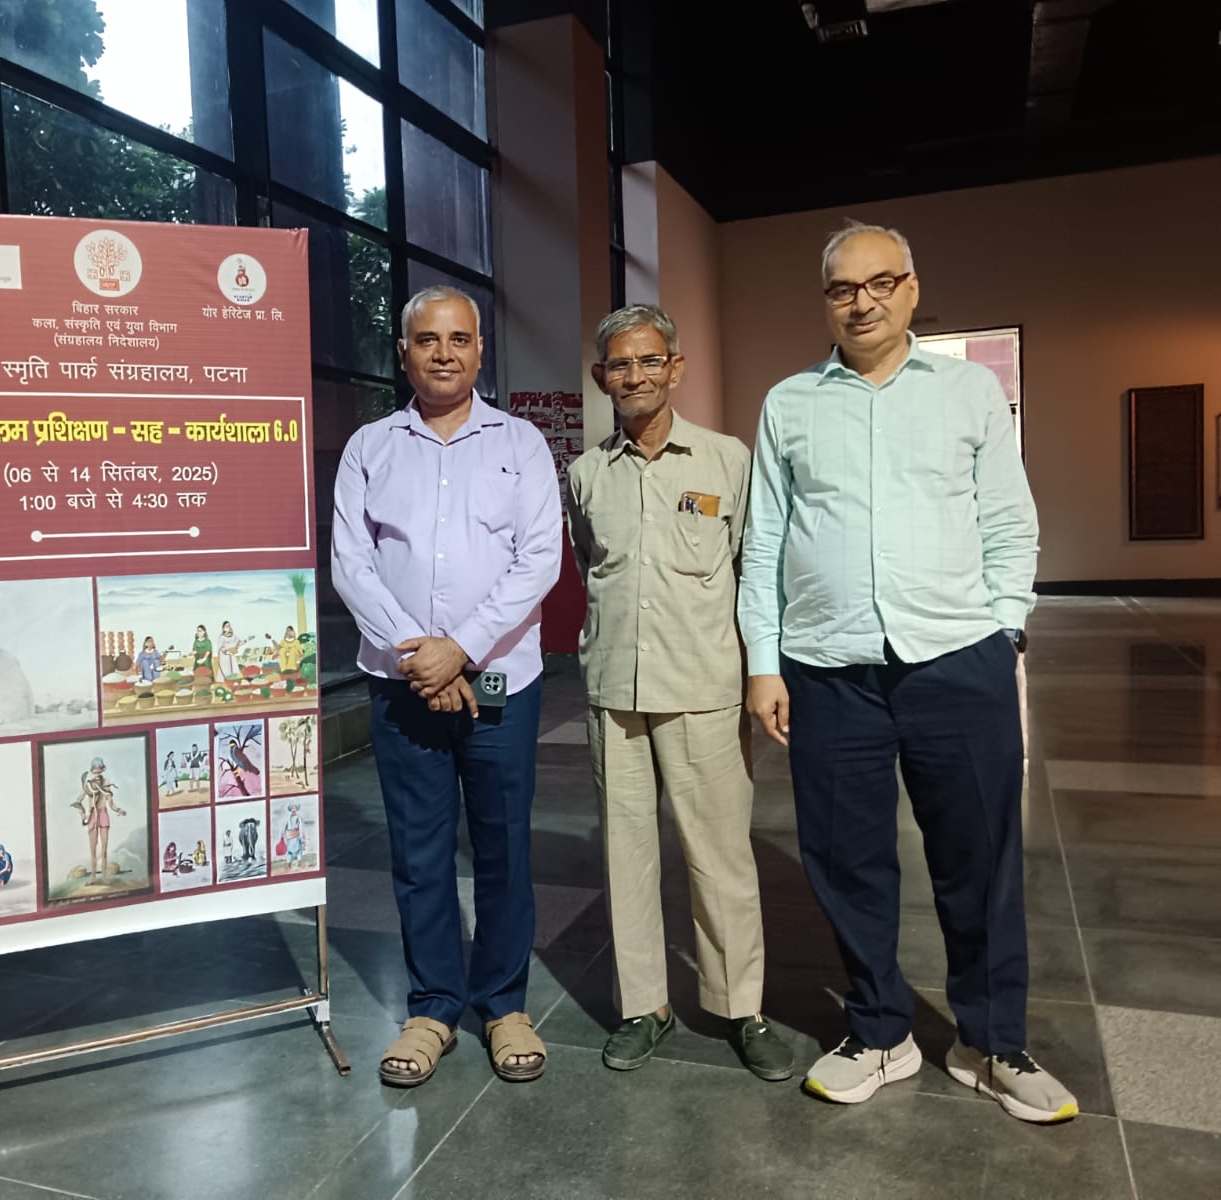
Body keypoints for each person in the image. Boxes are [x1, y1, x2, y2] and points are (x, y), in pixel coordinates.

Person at [739, 222, 1076, 1123]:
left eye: (880, 282)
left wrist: (1002, 631)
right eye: (843, 288)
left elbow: (1009, 520)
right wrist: (764, 663)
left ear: (912, 289)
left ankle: (992, 1041)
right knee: (845, 859)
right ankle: (880, 1031)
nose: (862, 302)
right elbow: (765, 540)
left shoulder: (967, 391)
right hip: (827, 668)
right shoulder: (790, 403)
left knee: (980, 858)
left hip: (956, 660)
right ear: (826, 301)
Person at [331, 286, 561, 1087]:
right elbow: (351, 562)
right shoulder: (369, 447)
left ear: (480, 350)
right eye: (427, 339)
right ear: (403, 353)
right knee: (419, 852)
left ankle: (503, 1005)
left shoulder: (522, 443)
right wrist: (417, 657)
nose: (444, 353)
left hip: (500, 679)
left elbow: (540, 559)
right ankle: (432, 1007)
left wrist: (458, 650)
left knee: (503, 846)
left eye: (459, 338)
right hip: (402, 686)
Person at [566, 305, 791, 1081]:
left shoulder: (727, 461)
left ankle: (741, 1007)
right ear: (602, 377)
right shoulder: (586, 475)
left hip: (704, 688)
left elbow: (756, 571)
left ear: (676, 367)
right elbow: (588, 565)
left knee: (719, 856)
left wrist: (763, 669)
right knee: (626, 856)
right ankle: (644, 1006)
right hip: (615, 691)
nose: (635, 375)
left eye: (649, 360)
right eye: (620, 365)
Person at [76, 757, 125, 882]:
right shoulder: (88, 784)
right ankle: (93, 877)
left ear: (102, 769)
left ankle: (104, 877)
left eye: (99, 768)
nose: (97, 771)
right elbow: (78, 801)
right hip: (92, 816)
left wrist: (118, 810)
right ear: (92, 770)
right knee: (92, 849)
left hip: (103, 815)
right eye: (95, 768)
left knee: (104, 849)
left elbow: (111, 803)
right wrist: (83, 815)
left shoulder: (106, 783)